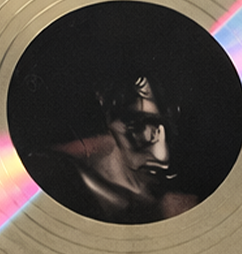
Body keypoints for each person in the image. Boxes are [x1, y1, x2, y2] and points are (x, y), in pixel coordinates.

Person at [18, 68, 202, 224]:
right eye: (137, 126)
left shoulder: (176, 198)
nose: (162, 153)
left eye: (167, 125)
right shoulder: (55, 172)